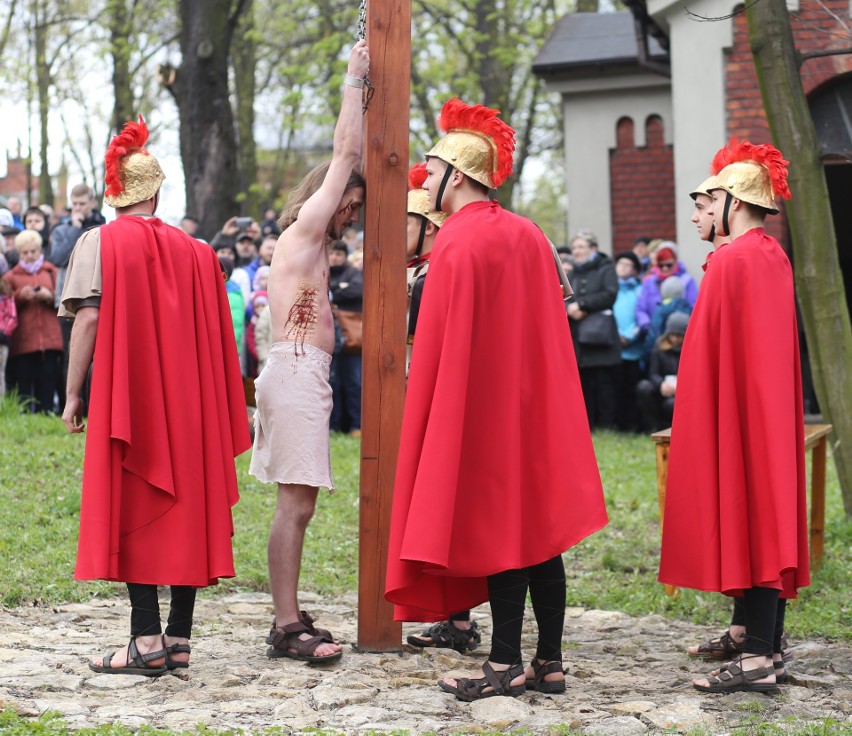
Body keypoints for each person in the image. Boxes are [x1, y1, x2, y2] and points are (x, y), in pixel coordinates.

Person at [386, 98, 608, 701]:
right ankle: (550, 662)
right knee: (539, 534)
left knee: (501, 532)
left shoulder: (456, 242)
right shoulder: (530, 234)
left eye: (431, 170)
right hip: (535, 409)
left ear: (458, 175)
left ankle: (506, 663)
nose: (425, 179)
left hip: (480, 413)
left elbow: (444, 352)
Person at [59, 118, 250, 676]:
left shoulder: (99, 240)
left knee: (135, 504)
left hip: (132, 399)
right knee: (188, 506)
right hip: (191, 403)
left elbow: (88, 319)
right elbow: (219, 337)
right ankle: (180, 639)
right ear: (159, 193)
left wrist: (73, 393)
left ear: (112, 194)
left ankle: (144, 640)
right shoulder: (197, 251)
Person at [659, 139, 809, 693]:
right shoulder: (757, 255)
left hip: (750, 417)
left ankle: (759, 659)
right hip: (751, 413)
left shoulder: (743, 257)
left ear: (732, 201)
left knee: (759, 520)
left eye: (705, 202)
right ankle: (756, 639)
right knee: (755, 516)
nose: (697, 213)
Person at [249, 40, 370, 664]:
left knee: (301, 504)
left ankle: (288, 615)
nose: (354, 215)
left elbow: (357, 156)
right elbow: (347, 154)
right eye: (352, 202)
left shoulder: (316, 248)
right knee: (295, 506)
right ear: (330, 194)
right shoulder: (303, 231)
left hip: (304, 372)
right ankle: (285, 625)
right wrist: (355, 78)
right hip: (296, 370)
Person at [398, 163, 481, 653]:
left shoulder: (442, 266)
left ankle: (463, 617)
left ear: (428, 224)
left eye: (407, 222)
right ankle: (457, 616)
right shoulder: (416, 272)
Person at [2, 229, 63, 413]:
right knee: (25, 384)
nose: (29, 256)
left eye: (33, 251)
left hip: (50, 340)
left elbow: (63, 301)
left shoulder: (52, 271)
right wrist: (20, 296)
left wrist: (50, 296)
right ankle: (27, 419)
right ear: (19, 253)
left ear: (40, 250)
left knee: (48, 380)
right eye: (25, 252)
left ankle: (48, 417)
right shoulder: (10, 277)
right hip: (23, 342)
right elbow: (5, 307)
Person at [567, 229, 620, 430]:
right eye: (574, 247)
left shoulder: (606, 268)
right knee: (584, 384)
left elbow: (610, 294)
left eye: (581, 247)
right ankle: (586, 425)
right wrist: (569, 309)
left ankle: (607, 425)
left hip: (601, 336)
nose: (576, 251)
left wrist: (582, 306)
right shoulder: (571, 272)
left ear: (593, 249)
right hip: (578, 336)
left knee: (603, 383)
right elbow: (561, 295)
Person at [328, 241, 363, 436]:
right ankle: (334, 425)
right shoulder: (323, 271)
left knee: (353, 382)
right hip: (330, 338)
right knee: (332, 383)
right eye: (332, 253)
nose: (335, 258)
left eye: (339, 254)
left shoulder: (353, 274)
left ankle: (356, 425)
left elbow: (357, 290)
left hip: (350, 338)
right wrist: (339, 288)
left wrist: (334, 292)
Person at [635, 311, 687, 431]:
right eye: (672, 335)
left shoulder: (691, 350)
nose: (674, 339)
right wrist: (661, 384)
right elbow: (653, 373)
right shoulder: (659, 346)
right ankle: (654, 426)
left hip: (681, 392)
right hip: (663, 389)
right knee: (644, 387)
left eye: (679, 336)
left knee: (672, 404)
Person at [612, 250, 645, 431]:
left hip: (634, 348)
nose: (623, 268)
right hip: (614, 347)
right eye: (620, 264)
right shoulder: (612, 288)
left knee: (632, 387)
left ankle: (634, 424)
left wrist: (630, 335)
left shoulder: (640, 289)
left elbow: (642, 315)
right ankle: (619, 424)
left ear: (634, 270)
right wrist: (616, 334)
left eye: (627, 265)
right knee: (617, 388)